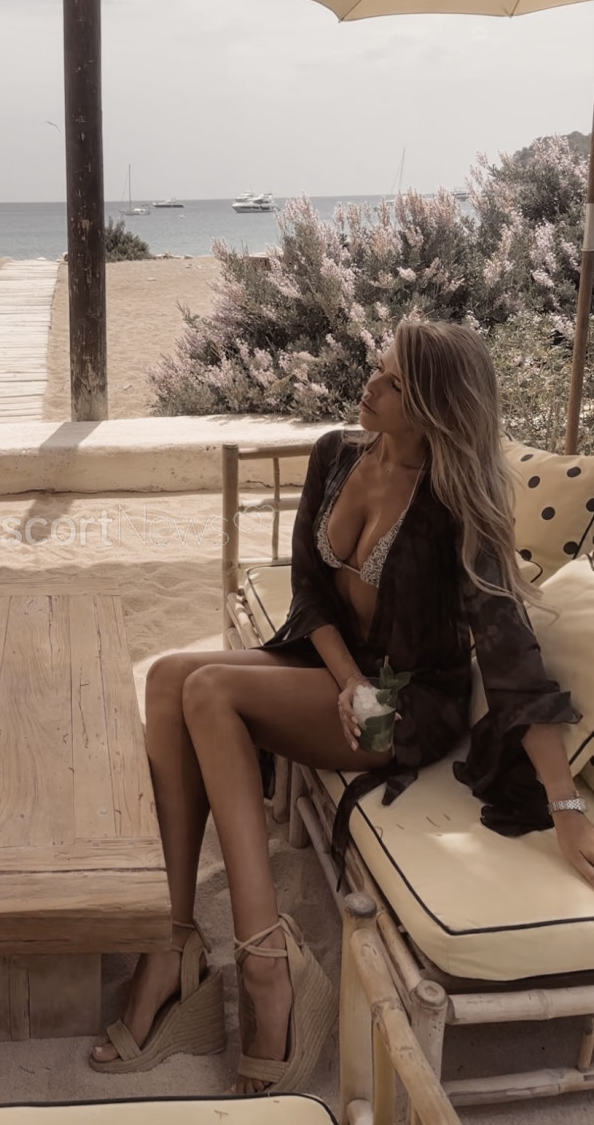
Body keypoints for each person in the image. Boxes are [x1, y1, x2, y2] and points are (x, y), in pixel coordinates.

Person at [89, 319, 592, 1095]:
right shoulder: (336, 455)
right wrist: (347, 679)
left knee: (208, 689)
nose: (371, 384)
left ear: (431, 407)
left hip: (407, 704)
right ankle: (173, 942)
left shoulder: (454, 503)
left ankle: (265, 966)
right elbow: (311, 591)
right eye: (377, 368)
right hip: (336, 670)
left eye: (392, 382)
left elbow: (509, 650)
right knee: (167, 679)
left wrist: (564, 802)